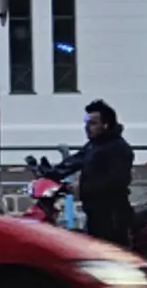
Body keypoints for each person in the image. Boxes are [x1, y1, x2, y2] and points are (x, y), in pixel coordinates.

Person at [50, 99, 135, 247]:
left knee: (107, 256)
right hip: (95, 211)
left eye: (93, 124)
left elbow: (116, 182)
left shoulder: (118, 148)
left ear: (106, 124)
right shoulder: (94, 145)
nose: (87, 128)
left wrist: (80, 188)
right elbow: (75, 161)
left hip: (112, 215)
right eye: (86, 123)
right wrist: (50, 173)